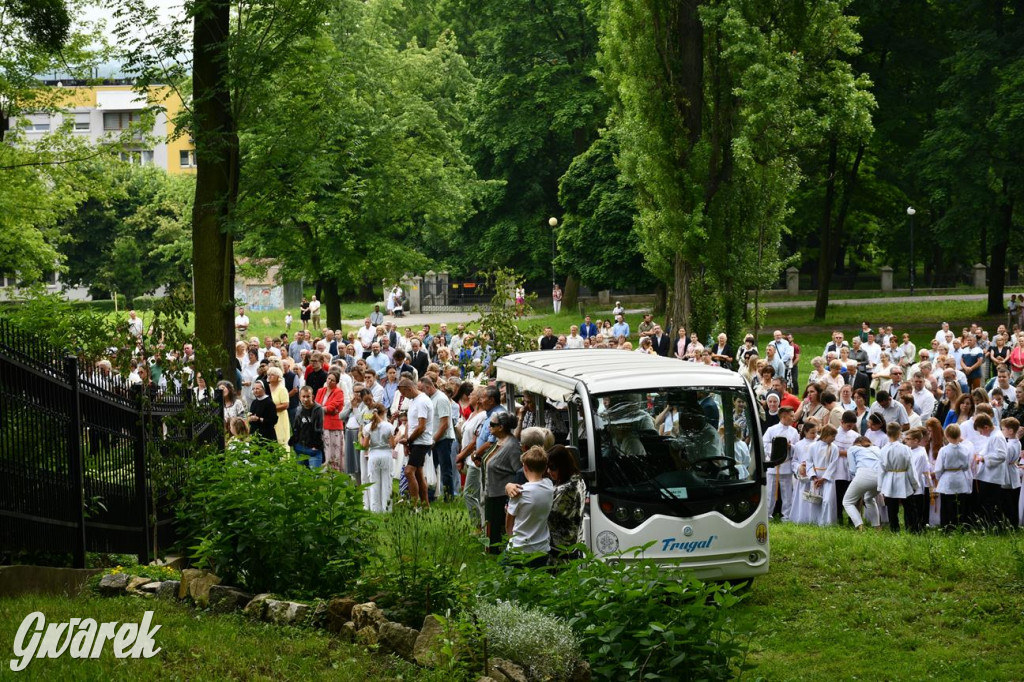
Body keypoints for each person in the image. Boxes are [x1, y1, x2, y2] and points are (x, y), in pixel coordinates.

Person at [503, 445, 555, 565]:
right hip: (542, 549)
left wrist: (510, 539)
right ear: (545, 468)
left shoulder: (519, 492)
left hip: (519, 549)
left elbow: (509, 522)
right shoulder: (549, 485)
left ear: (525, 467)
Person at [480, 411, 521, 553]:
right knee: (491, 526)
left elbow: (519, 471)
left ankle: (497, 556)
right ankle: (491, 554)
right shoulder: (500, 441)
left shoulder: (512, 446)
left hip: (501, 495)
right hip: (492, 492)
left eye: (492, 424)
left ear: (501, 427)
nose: (489, 427)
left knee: (497, 528)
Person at [397, 377, 434, 508]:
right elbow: (410, 424)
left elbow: (421, 427)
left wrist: (409, 440)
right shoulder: (413, 400)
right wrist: (407, 442)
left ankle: (413, 505)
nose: (403, 396)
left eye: (403, 393)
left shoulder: (422, 401)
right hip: (415, 441)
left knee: (408, 471)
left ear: (409, 389)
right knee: (418, 474)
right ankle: (425, 506)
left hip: (422, 442)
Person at [877, 422, 919, 532]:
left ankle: (894, 529)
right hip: (903, 478)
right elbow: (911, 468)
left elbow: (881, 470)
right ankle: (913, 529)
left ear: (887, 433)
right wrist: (914, 484)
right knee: (910, 506)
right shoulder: (905, 449)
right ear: (899, 433)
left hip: (889, 479)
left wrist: (880, 487)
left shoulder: (883, 450)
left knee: (892, 508)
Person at [762, 406, 799, 521]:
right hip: (773, 465)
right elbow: (764, 444)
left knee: (787, 493)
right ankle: (768, 514)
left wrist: (790, 447)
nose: (793, 418)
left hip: (786, 464)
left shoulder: (794, 431)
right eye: (791, 416)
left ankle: (786, 516)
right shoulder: (771, 430)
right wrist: (777, 448)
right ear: (783, 416)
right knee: (770, 492)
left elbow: (797, 448)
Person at [934, 423, 973, 530]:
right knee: (960, 504)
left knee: (947, 505)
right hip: (960, 477)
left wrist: (938, 477)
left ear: (946, 435)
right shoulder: (965, 449)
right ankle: (960, 525)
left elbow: (938, 468)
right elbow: (966, 466)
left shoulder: (944, 450)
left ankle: (947, 527)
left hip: (948, 478)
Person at [361, 402, 396, 513]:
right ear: (384, 412)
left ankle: (375, 509)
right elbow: (392, 445)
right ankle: (387, 509)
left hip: (373, 455)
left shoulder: (367, 427)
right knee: (387, 482)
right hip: (386, 455)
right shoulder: (389, 426)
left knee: (374, 483)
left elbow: (365, 446)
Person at [842, 435, 882, 531]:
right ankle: (877, 526)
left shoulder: (852, 449)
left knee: (847, 502)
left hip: (864, 473)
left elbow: (852, 469)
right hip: (881, 477)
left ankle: (860, 526)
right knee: (869, 498)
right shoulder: (876, 448)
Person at [317, 371, 346, 472]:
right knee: (324, 447)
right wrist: (325, 409)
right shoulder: (321, 390)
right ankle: (324, 467)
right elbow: (316, 404)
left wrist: (322, 409)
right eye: (328, 379)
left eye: (332, 380)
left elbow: (333, 406)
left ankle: (335, 469)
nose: (329, 381)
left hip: (334, 425)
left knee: (335, 449)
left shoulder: (339, 392)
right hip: (321, 423)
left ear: (336, 382)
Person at [811, 424, 840, 526]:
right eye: (833, 436)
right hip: (816, 476)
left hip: (827, 477)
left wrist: (823, 478)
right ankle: (816, 521)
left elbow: (833, 464)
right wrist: (814, 477)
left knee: (827, 500)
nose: (834, 439)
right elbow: (809, 462)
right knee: (816, 500)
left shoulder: (834, 448)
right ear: (826, 435)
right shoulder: (813, 446)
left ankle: (827, 523)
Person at [290, 386, 325, 468]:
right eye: (303, 396)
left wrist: (316, 446)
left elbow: (318, 428)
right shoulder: (299, 410)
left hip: (313, 448)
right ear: (299, 397)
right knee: (301, 475)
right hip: (300, 447)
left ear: (312, 396)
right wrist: (294, 443)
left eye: (308, 396)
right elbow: (296, 427)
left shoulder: (318, 409)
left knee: (314, 476)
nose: (305, 399)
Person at [266, 367, 292, 448]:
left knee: (280, 438)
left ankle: (283, 459)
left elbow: (285, 405)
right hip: (268, 417)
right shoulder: (266, 387)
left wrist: (271, 409)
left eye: (272, 375)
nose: (270, 376)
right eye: (268, 374)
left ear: (278, 377)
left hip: (280, 417)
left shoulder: (282, 389)